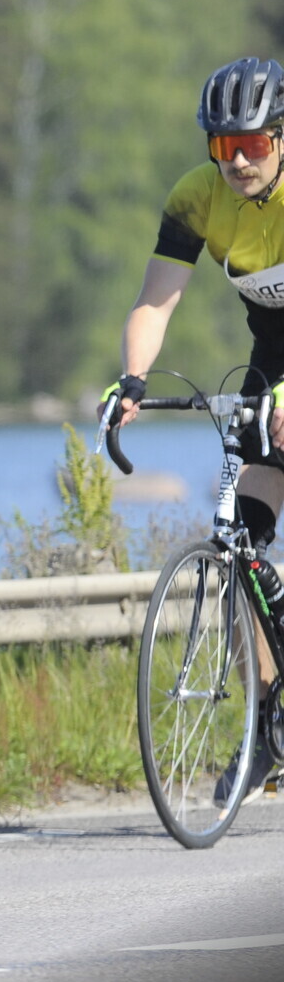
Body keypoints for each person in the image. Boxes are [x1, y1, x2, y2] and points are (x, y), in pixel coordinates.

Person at [109, 55, 284, 800]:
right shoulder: (196, 197)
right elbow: (155, 302)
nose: (238, 161)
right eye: (223, 146)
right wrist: (132, 382)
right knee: (240, 541)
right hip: (272, 359)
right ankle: (266, 732)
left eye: (253, 144)